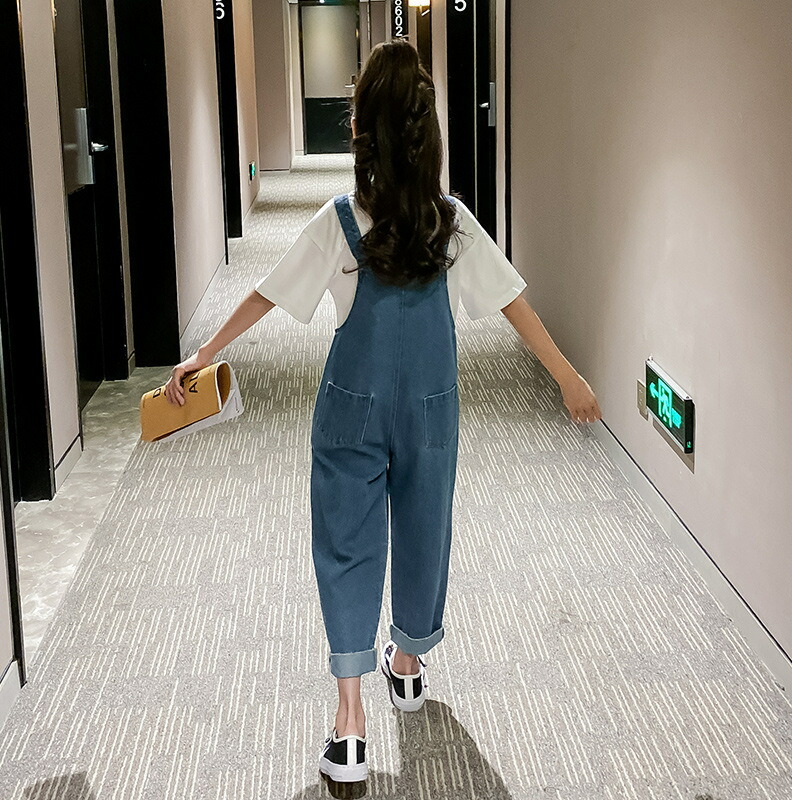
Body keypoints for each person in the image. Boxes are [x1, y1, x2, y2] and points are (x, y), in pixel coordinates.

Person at [165, 39, 601, 784]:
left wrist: (204, 353)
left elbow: (269, 292)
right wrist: (567, 376)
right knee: (426, 532)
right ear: (428, 133)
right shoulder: (450, 223)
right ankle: (406, 660)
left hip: (350, 412)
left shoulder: (340, 220)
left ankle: (350, 722)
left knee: (345, 545)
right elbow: (513, 302)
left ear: (360, 129)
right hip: (429, 412)